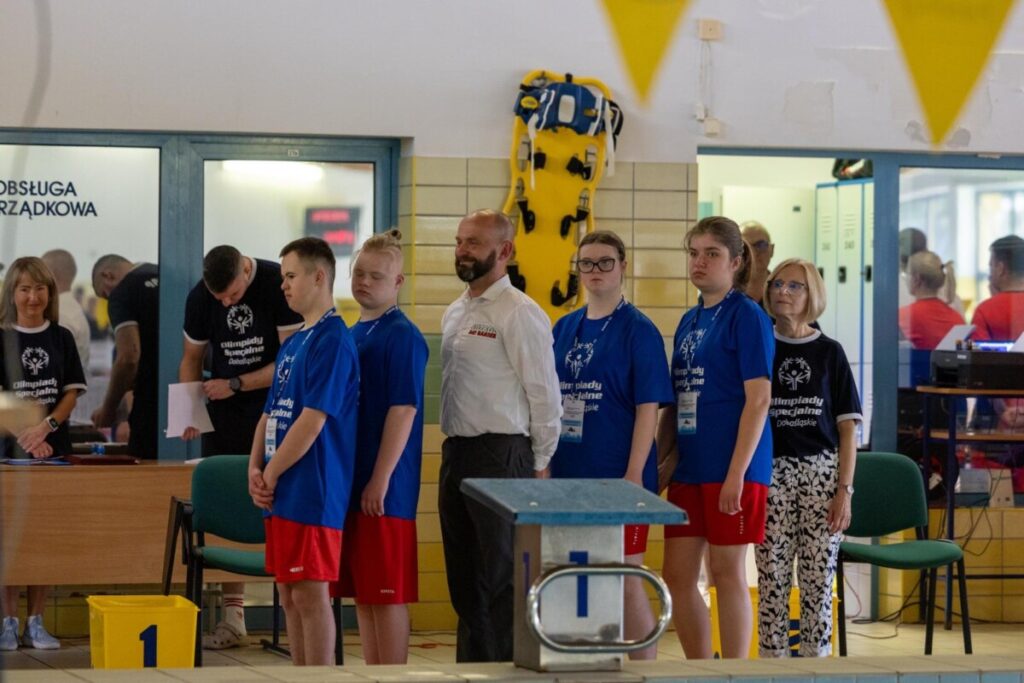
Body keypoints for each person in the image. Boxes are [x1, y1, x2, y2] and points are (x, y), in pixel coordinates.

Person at [439, 209, 562, 662]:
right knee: (464, 577)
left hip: (503, 453)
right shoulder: (456, 310)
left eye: (473, 242)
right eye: (459, 241)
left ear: (504, 250)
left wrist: (540, 462)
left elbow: (544, 395)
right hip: (457, 452)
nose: (462, 251)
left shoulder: (520, 313)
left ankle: (509, 669)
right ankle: (473, 669)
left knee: (501, 577)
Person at [550, 230, 673, 660]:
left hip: (619, 475)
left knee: (624, 577)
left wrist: (634, 474)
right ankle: (586, 662)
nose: (595, 270)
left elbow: (648, 408)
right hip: (569, 472)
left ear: (622, 266)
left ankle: (645, 670)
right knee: (574, 575)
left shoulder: (639, 330)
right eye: (586, 263)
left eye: (605, 262)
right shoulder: (564, 327)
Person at [657, 215, 774, 659]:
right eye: (694, 253)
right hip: (691, 465)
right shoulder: (690, 320)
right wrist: (664, 462)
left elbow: (759, 400)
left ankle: (735, 671)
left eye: (712, 254)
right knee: (677, 575)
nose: (699, 262)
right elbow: (676, 401)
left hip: (735, 468)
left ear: (736, 262)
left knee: (726, 572)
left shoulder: (747, 316)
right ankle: (700, 668)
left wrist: (736, 475)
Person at [179, 245, 303, 650]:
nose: (227, 304)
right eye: (220, 299)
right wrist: (189, 410)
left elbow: (289, 364)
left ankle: (295, 610)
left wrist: (237, 383)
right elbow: (191, 358)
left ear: (246, 271)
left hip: (274, 405)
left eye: (232, 295)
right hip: (224, 409)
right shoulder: (201, 297)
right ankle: (234, 616)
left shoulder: (276, 285)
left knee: (274, 500)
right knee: (230, 503)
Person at [248, 237, 358, 666]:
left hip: (312, 487)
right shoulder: (293, 342)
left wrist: (271, 473)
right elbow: (269, 412)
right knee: (288, 594)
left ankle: (319, 676)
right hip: (280, 486)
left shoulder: (333, 340)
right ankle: (299, 674)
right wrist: (254, 467)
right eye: (282, 277)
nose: (284, 285)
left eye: (291, 276)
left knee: (311, 594)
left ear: (319, 277)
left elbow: (312, 420)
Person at [755, 258, 862, 657]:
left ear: (812, 294)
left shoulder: (830, 352)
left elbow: (848, 429)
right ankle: (772, 667)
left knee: (818, 583)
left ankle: (816, 667)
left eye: (794, 286)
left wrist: (844, 491)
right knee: (772, 579)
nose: (782, 291)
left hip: (821, 474)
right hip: (771, 471)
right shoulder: (761, 345)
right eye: (777, 283)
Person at [336, 229, 428, 664]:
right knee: (365, 593)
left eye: (376, 276)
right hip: (353, 480)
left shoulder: (402, 335)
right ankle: (375, 673)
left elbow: (404, 410)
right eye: (359, 273)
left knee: (386, 594)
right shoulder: (353, 334)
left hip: (386, 487)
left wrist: (380, 478)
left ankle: (391, 674)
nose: (365, 282)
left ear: (398, 282)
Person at [0, 257, 86, 651]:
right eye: (24, 289)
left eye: (40, 289)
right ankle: (7, 621)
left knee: (45, 537)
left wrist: (45, 428)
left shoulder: (61, 337)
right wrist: (26, 435)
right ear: (12, 293)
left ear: (50, 293)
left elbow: (70, 393)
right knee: (11, 537)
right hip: (9, 454)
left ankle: (36, 622)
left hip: (53, 453)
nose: (33, 297)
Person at [90, 255, 159, 457]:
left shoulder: (123, 292)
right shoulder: (170, 276)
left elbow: (129, 357)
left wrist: (109, 408)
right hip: (193, 395)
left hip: (152, 403)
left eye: (105, 294)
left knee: (148, 468)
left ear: (107, 275)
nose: (108, 299)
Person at [898, 251, 965, 350]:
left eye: (907, 274)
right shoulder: (957, 319)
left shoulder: (904, 316)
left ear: (917, 279)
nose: (906, 278)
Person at [40, 249, 90, 376]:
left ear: (51, 274)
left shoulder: (59, 314)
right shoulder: (69, 309)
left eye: (39, 271)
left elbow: (51, 368)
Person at [972, 235, 1024, 341]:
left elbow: (976, 349)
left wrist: (995, 303)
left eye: (991, 266)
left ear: (1000, 268)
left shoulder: (984, 311)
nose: (989, 275)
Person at [741, 221, 774, 304]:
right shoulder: (721, 293)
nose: (753, 253)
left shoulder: (785, 292)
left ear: (772, 250)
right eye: (745, 247)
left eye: (761, 245)